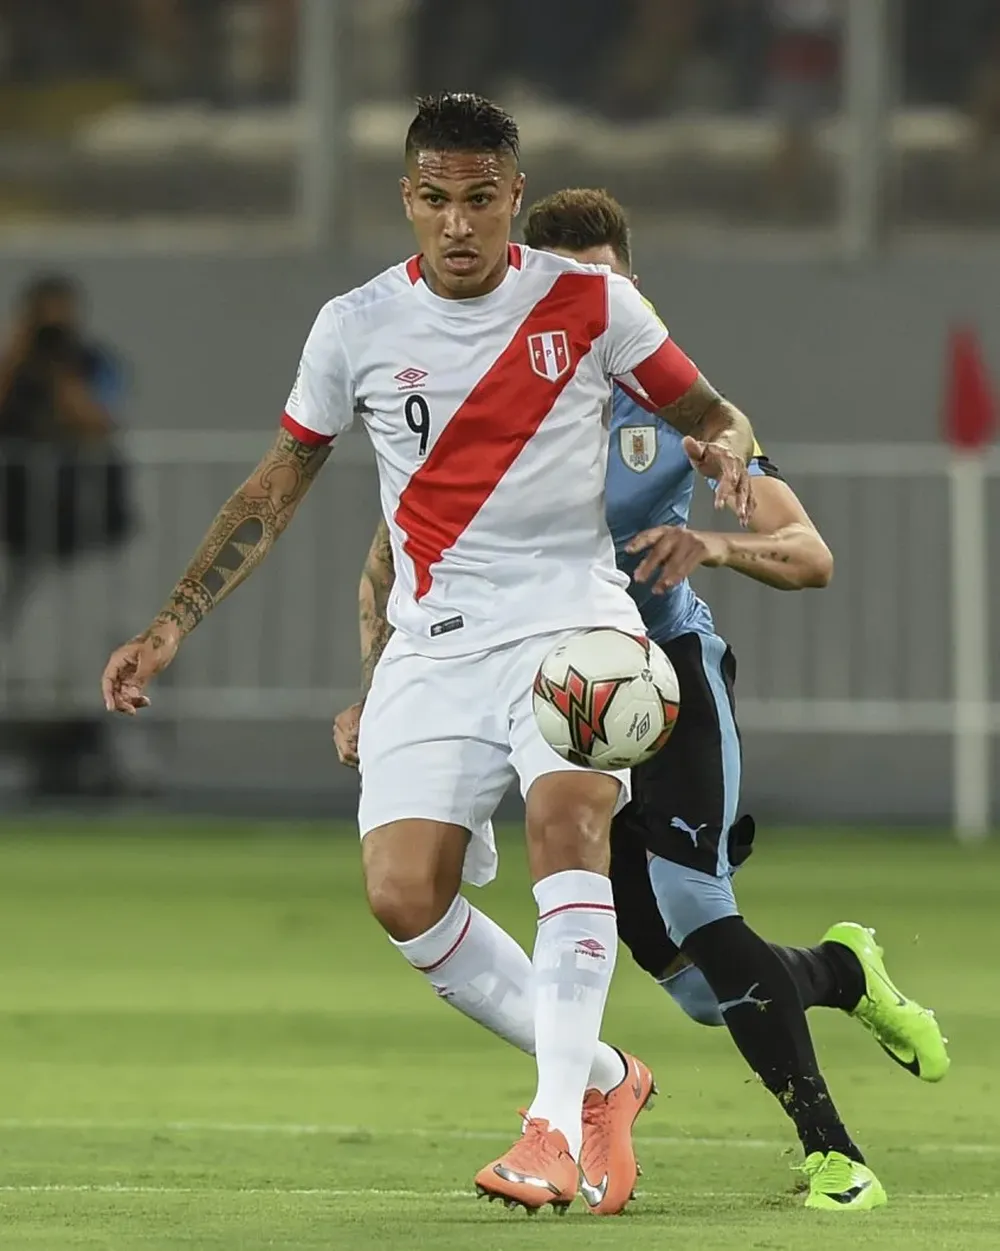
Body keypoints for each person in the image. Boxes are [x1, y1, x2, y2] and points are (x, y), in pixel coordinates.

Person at [101, 92, 756, 1217]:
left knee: (567, 829)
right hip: (436, 644)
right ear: (407, 197)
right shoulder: (355, 325)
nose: (458, 223)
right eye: (437, 200)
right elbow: (275, 486)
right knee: (405, 895)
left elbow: (712, 411)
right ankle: (606, 1080)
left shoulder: (591, 304)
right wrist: (171, 621)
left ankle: (551, 1132)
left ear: (513, 196)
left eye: (481, 200)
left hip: (572, 628)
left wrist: (727, 448)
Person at [333, 187, 952, 1213]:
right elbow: (391, 565)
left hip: (659, 682)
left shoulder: (680, 413)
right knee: (698, 988)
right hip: (544, 699)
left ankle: (834, 1154)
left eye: (605, 287)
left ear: (631, 289)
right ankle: (842, 971)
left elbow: (810, 552)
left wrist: (714, 543)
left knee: (703, 912)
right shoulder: (484, 414)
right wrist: (374, 692)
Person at [0, 274, 133, 796]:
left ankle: (94, 753)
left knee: (87, 644)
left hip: (85, 527)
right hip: (16, 526)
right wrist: (19, 354)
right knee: (23, 647)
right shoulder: (14, 364)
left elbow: (100, 420)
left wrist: (60, 373)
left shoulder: (93, 363)